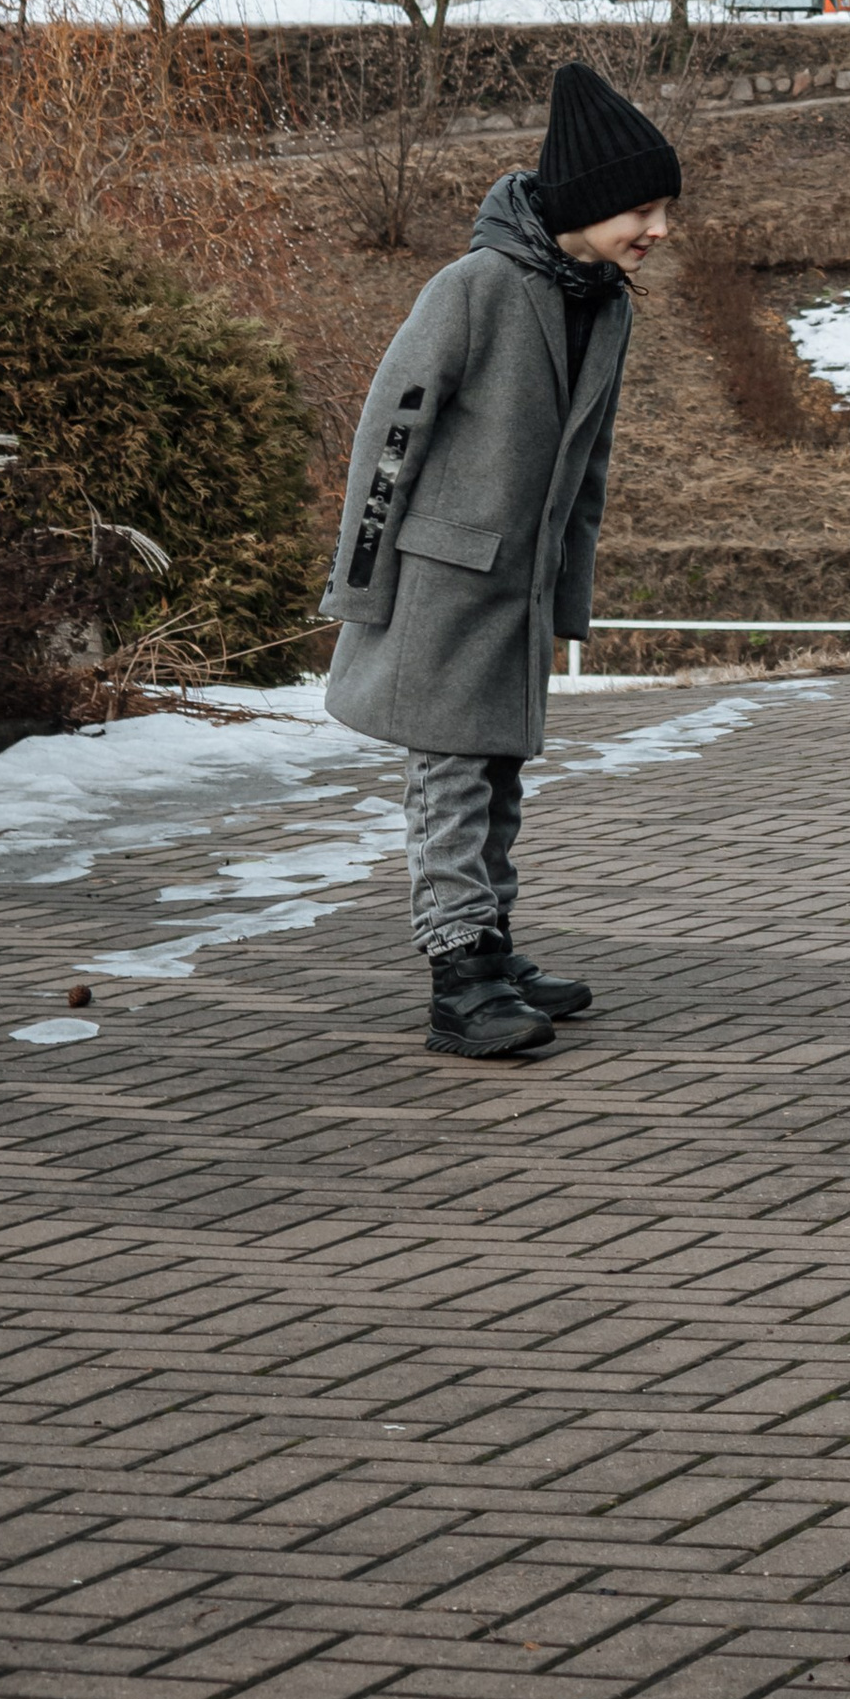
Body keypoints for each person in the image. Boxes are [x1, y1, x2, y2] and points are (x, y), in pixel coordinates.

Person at [322, 62, 680, 1058]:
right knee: (449, 782)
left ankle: (492, 942)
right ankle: (459, 981)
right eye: (642, 211)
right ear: (590, 206)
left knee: (501, 775)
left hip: (516, 590)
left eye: (663, 211)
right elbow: (390, 434)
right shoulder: (474, 289)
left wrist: (566, 594)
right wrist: (361, 580)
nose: (658, 231)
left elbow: (587, 469)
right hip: (442, 582)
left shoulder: (602, 303)